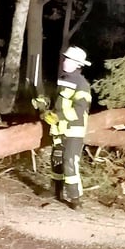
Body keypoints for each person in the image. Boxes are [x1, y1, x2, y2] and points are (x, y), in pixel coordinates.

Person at [48, 46, 92, 209]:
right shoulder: (64, 79)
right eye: (65, 58)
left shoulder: (82, 84)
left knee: (69, 162)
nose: (65, 61)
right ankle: (55, 191)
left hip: (73, 129)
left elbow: (80, 109)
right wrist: (45, 105)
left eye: (68, 59)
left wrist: (58, 116)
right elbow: (58, 102)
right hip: (59, 128)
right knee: (56, 159)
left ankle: (76, 199)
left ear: (77, 64)